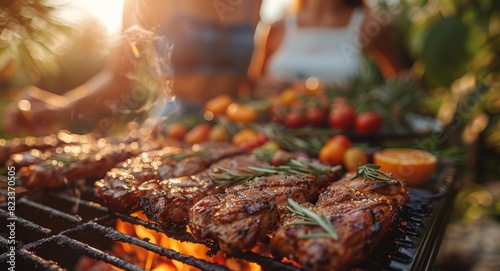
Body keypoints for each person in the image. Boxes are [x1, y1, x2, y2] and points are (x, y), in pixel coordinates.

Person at [3, 0, 262, 136]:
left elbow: (244, 76)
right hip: (170, 129)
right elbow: (118, 78)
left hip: (233, 132)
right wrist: (63, 106)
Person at [249, 0, 405, 98]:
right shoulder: (278, 27)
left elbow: (399, 80)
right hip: (280, 133)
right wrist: (263, 87)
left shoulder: (370, 24)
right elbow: (252, 86)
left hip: (345, 138)